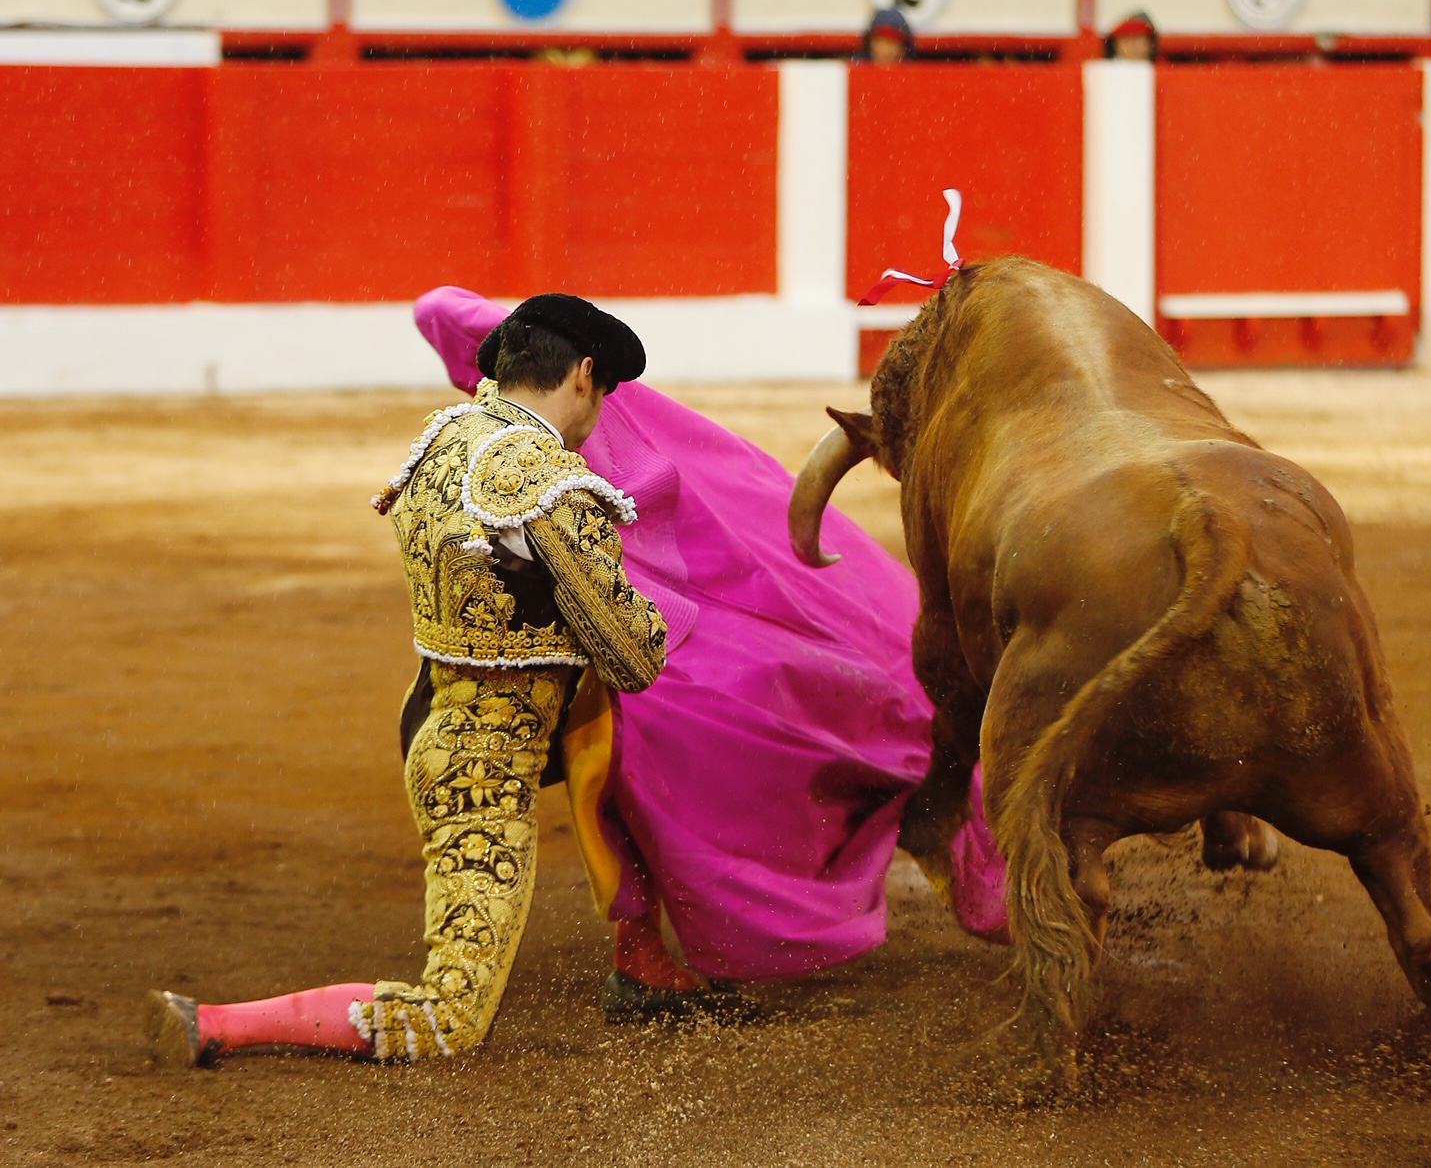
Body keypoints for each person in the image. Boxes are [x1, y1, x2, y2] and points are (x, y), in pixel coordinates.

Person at [147, 287, 1007, 1067]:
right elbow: (635, 657)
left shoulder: (444, 443)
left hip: (438, 727)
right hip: (491, 765)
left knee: (617, 750)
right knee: (448, 1015)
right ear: (586, 376)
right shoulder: (553, 489)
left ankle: (641, 954)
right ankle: (222, 1023)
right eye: (603, 396)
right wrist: (686, 608)